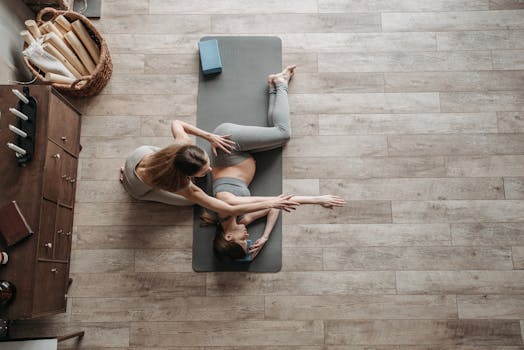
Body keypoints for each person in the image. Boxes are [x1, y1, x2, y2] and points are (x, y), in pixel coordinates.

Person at [200, 65, 346, 260]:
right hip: (242, 154)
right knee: (280, 138)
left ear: (228, 236)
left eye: (242, 241)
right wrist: (265, 237)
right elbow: (272, 207)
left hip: (228, 142)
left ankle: (280, 83)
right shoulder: (242, 218)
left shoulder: (226, 206)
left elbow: (277, 200)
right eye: (248, 242)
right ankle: (274, 84)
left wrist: (318, 200)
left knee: (283, 133)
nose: (248, 237)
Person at [120, 115, 299, 217]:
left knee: (164, 154)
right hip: (138, 187)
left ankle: (128, 172)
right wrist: (272, 202)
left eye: (207, 164)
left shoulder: (181, 145)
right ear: (185, 177)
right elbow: (229, 208)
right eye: (205, 171)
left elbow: (177, 123)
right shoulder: (183, 187)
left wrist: (209, 137)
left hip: (139, 155)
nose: (211, 170)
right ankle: (126, 182)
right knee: (191, 203)